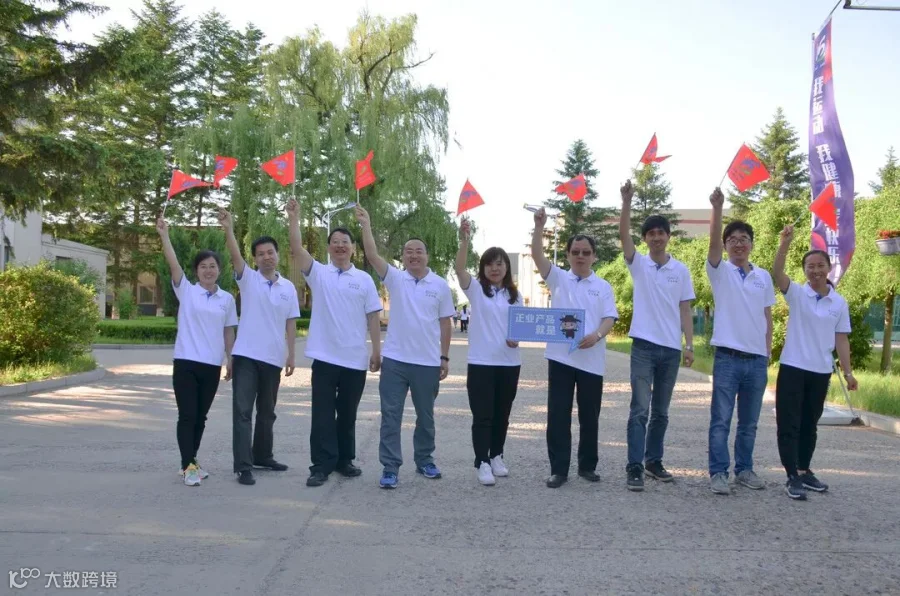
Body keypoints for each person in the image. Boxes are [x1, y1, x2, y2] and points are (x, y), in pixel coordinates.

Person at [356, 205, 455, 489]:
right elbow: (373, 256)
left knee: (426, 417)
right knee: (391, 416)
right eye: (408, 251)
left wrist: (444, 357)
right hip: (395, 361)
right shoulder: (396, 279)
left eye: (419, 251)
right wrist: (366, 224)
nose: (414, 255)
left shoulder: (440, 285)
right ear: (403, 257)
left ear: (427, 256)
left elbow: (446, 323)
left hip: (427, 362)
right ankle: (390, 467)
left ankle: (425, 460)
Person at [286, 199, 383, 488]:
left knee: (348, 415)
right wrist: (294, 218)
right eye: (335, 242)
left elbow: (373, 316)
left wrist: (377, 351)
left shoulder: (364, 279)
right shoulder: (319, 273)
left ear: (353, 248)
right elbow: (296, 249)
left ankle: (344, 460)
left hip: (354, 359)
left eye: (345, 242)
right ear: (329, 248)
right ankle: (321, 465)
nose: (340, 246)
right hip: (325, 358)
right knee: (322, 415)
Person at [531, 207, 618, 488]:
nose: (581, 256)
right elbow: (537, 255)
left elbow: (609, 318)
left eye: (586, 252)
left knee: (589, 416)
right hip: (561, 358)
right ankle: (559, 469)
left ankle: (587, 466)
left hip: (592, 360)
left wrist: (598, 335)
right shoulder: (558, 278)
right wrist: (539, 227)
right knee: (558, 414)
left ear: (594, 256)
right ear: (568, 255)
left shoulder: (602, 286)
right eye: (575, 252)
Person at [618, 180, 696, 492]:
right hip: (643, 347)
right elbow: (623, 235)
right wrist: (626, 201)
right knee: (640, 409)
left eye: (661, 232)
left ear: (668, 236)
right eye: (650, 233)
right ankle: (634, 466)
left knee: (661, 412)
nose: (656, 237)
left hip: (670, 350)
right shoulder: (639, 264)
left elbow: (685, 309)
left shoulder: (681, 270)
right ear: (645, 239)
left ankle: (653, 461)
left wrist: (689, 345)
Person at [772, 224, 857, 501]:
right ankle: (791, 476)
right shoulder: (797, 294)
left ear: (829, 268)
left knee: (810, 423)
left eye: (821, 265)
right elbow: (777, 274)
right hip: (793, 367)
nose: (816, 270)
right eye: (810, 266)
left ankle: (804, 469)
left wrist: (848, 373)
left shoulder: (839, 303)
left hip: (820, 371)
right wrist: (784, 244)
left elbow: (841, 339)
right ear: (805, 270)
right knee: (789, 423)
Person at [219, 207, 300, 486]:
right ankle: (243, 466)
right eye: (261, 254)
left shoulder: (288, 288)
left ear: (277, 255)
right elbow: (234, 255)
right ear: (255, 259)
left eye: (270, 252)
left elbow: (291, 322)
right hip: (246, 357)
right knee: (243, 412)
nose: (267, 257)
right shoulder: (248, 279)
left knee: (267, 412)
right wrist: (229, 228)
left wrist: (292, 354)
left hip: (273, 358)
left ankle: (263, 456)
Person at [157, 217, 238, 487]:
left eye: (212, 266)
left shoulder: (227, 299)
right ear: (196, 271)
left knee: (201, 417)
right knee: (188, 415)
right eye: (203, 266)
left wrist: (230, 359)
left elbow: (228, 332)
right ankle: (188, 465)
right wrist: (164, 235)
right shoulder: (187, 291)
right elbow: (173, 264)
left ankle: (191, 461)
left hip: (211, 365)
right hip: (186, 363)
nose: (208, 270)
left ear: (219, 270)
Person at [706, 187, 775, 495]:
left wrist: (767, 350)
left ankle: (744, 470)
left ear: (751, 244)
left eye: (743, 239)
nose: (738, 243)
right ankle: (718, 473)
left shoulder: (763, 277)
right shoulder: (720, 272)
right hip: (728, 358)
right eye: (732, 239)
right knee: (721, 420)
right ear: (725, 246)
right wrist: (717, 208)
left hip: (756, 360)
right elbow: (712, 246)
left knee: (749, 422)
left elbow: (767, 315)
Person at [454, 218, 522, 486]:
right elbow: (459, 269)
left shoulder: (515, 296)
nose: (495, 268)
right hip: (481, 362)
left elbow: (521, 327)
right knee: (483, 415)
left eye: (500, 263)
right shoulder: (476, 290)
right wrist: (464, 240)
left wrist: (517, 339)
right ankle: (482, 461)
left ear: (507, 267)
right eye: (490, 264)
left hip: (509, 363)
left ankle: (497, 456)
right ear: (483, 268)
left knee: (502, 415)